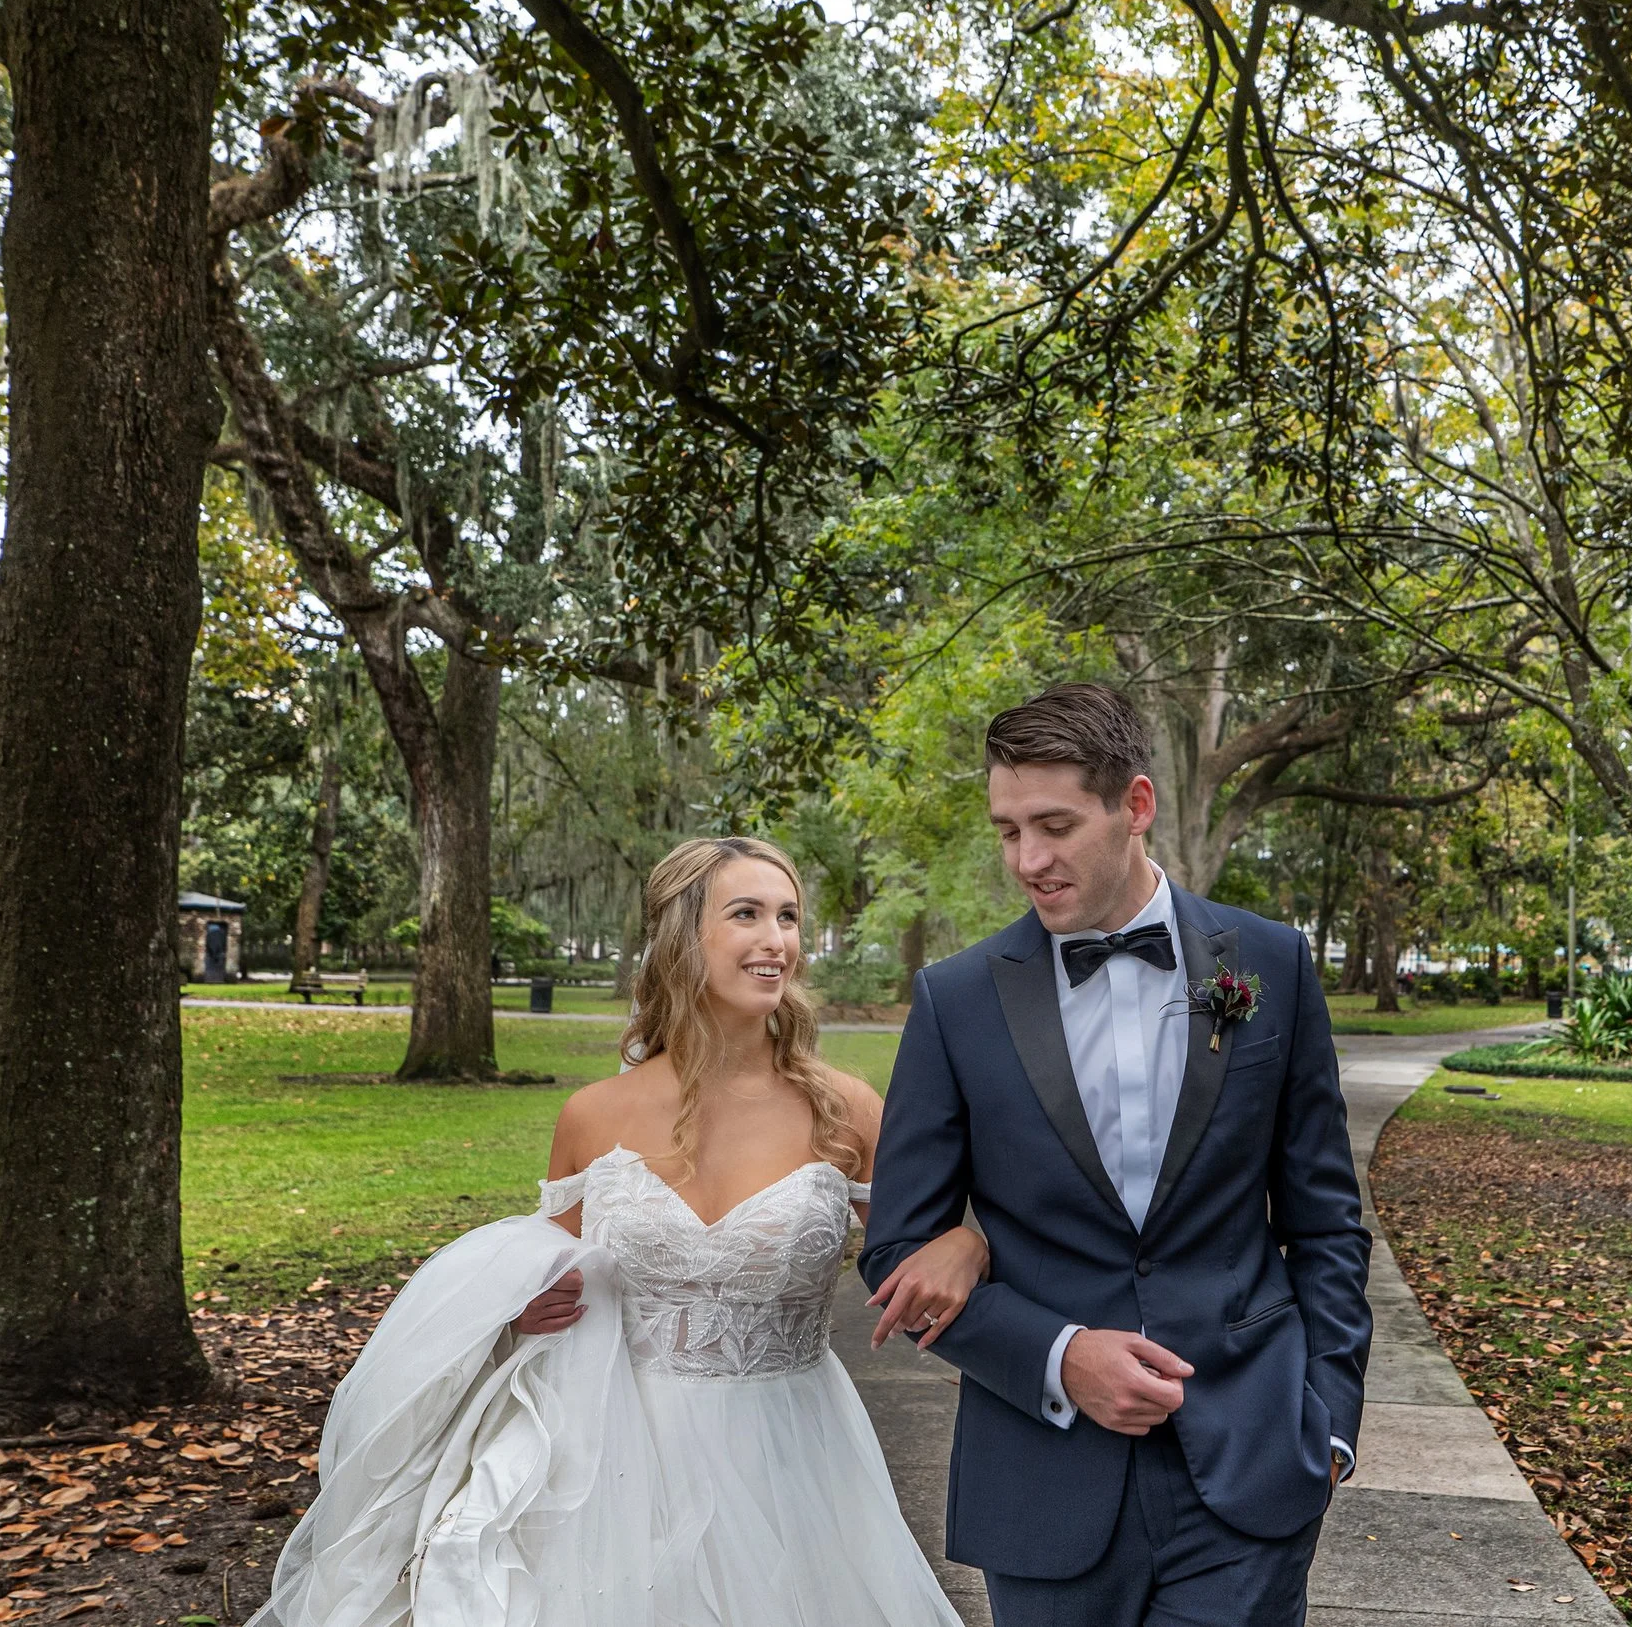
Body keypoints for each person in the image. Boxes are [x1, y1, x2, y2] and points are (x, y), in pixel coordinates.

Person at [252, 836, 984, 1627]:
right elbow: (546, 1270)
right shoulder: (593, 1114)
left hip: (793, 1448)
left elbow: (919, 1255)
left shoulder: (847, 1109)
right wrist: (523, 1303)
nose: (777, 940)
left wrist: (969, 1242)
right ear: (681, 936)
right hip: (611, 1456)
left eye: (788, 916)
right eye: (746, 914)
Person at [862, 682, 1373, 1627]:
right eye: (1008, 830)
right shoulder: (956, 1000)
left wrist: (1329, 1421)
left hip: (1251, 1468)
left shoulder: (1269, 965)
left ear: (1135, 805)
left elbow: (1326, 1220)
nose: (1029, 858)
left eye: (1054, 824)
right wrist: (1060, 1357)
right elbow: (895, 1253)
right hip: (1045, 1487)